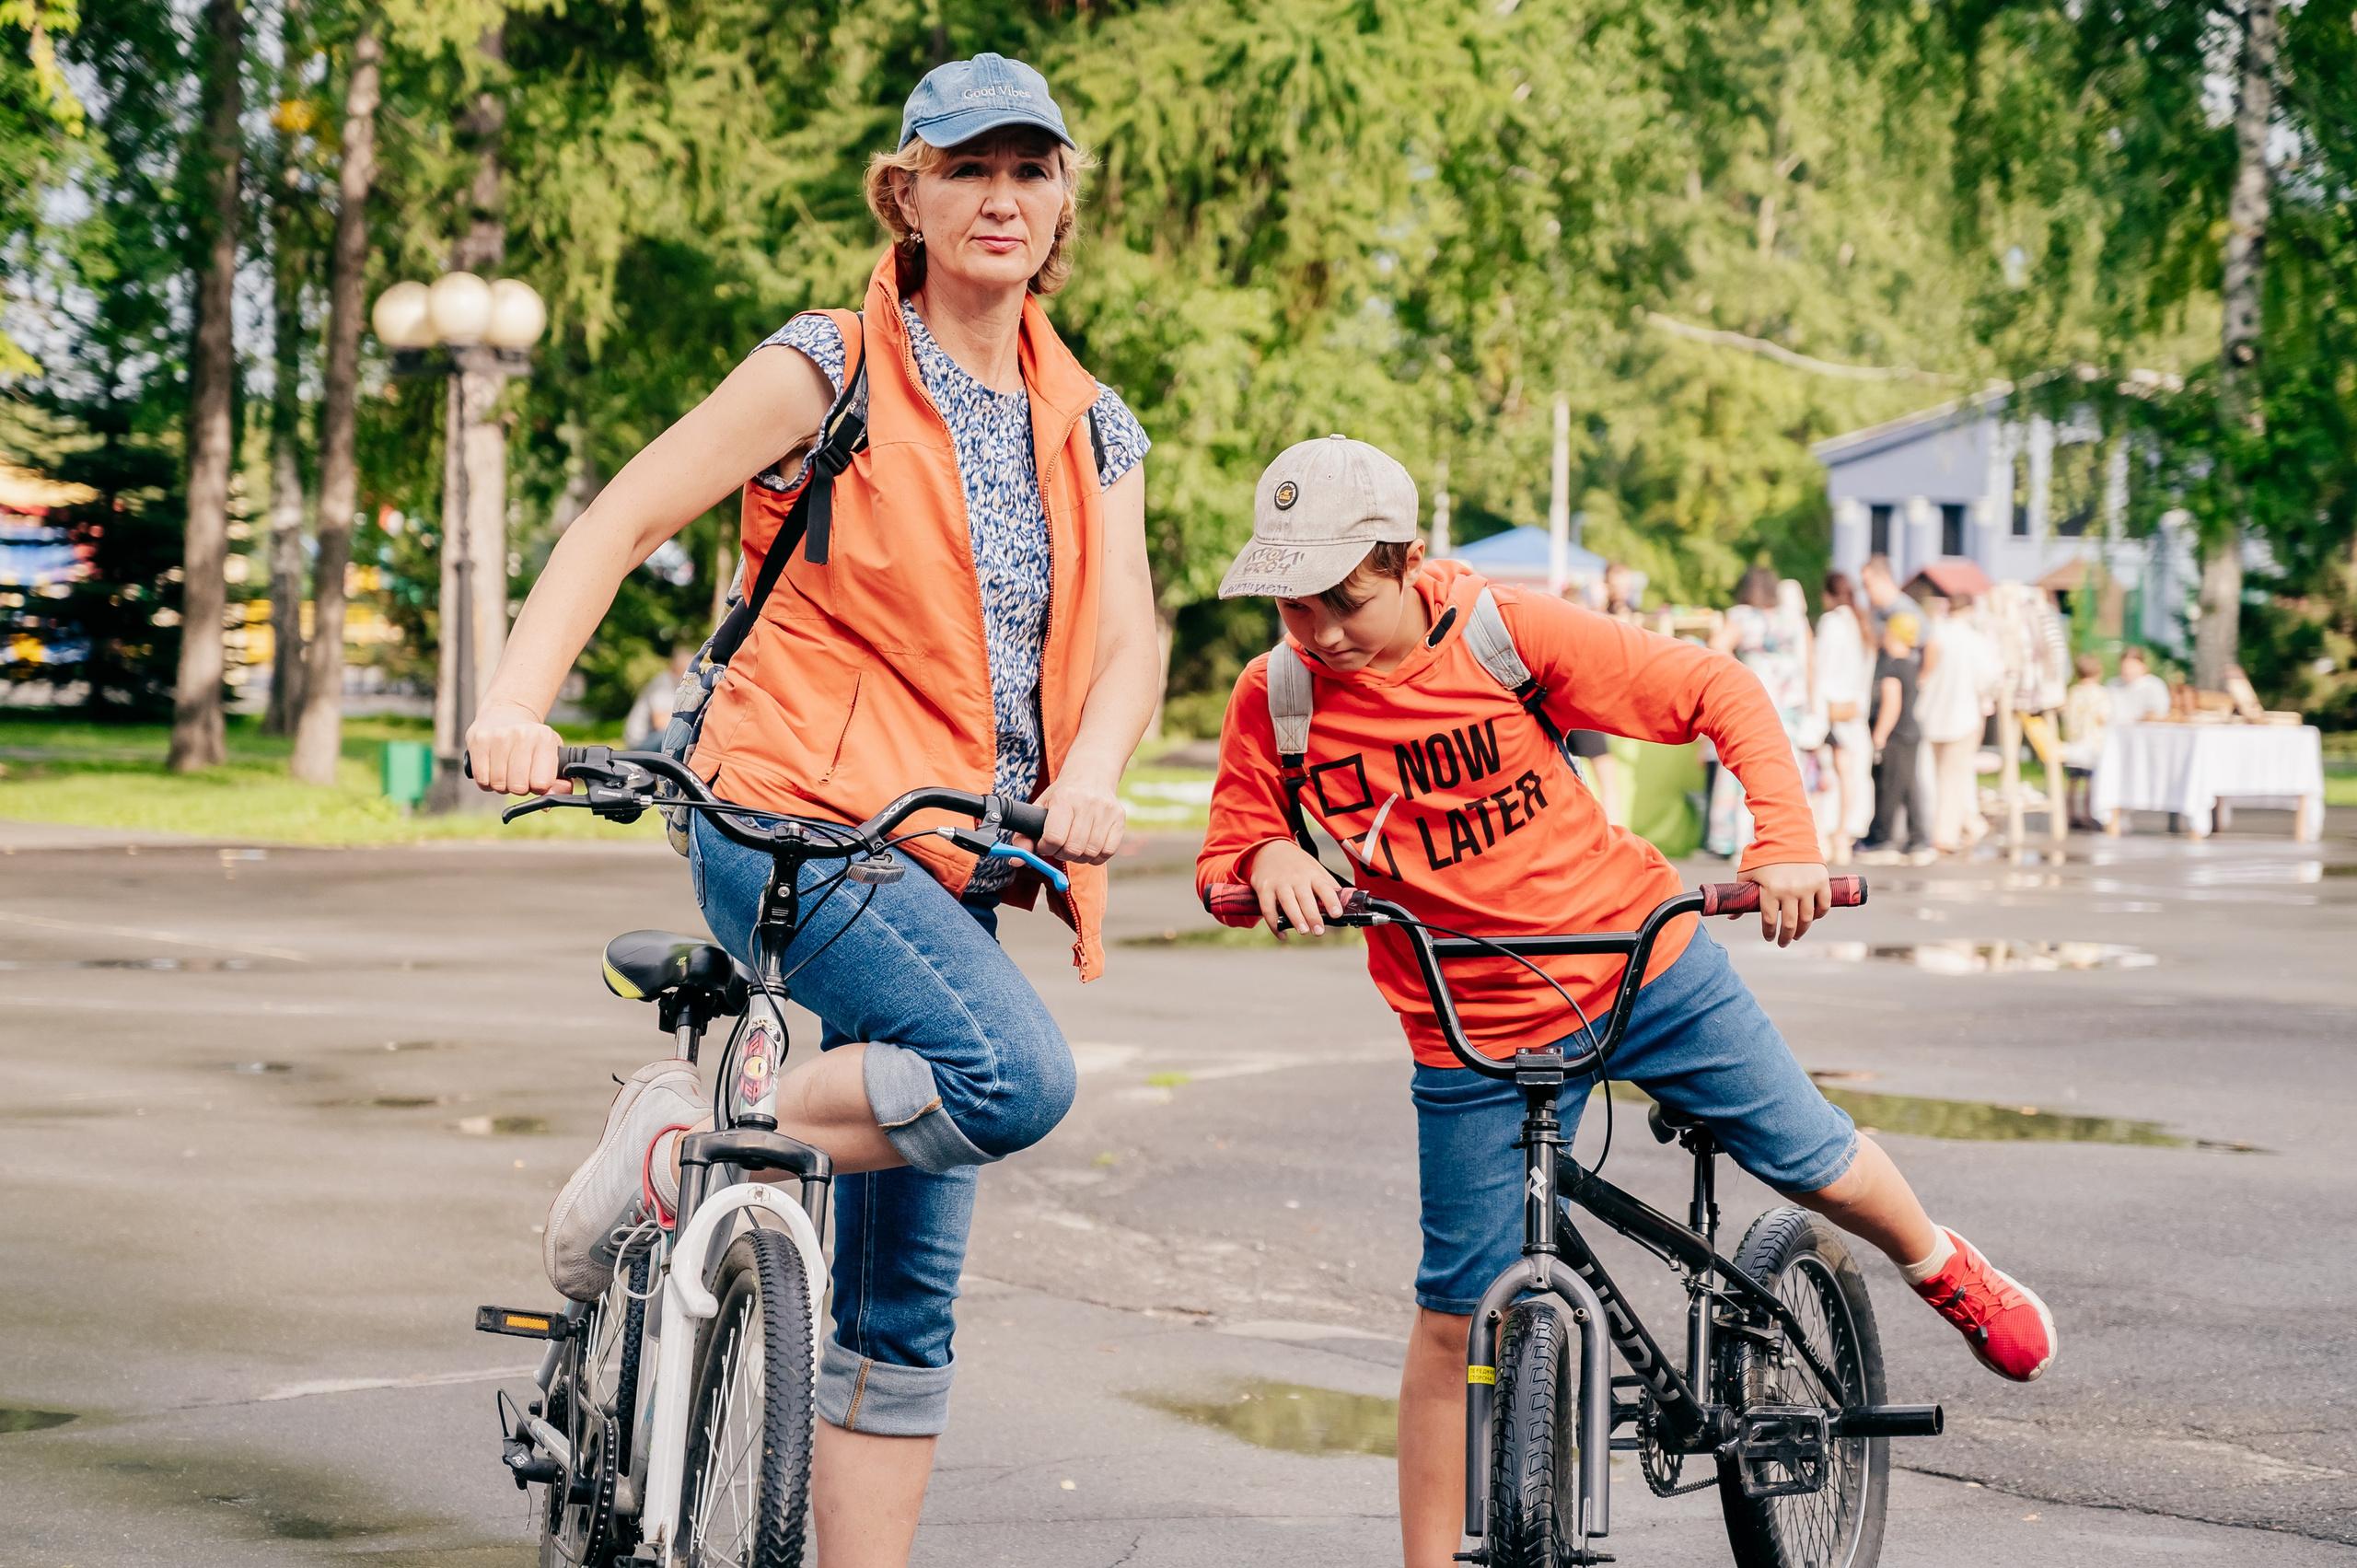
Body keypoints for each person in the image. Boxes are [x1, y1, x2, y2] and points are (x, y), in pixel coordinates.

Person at [463, 54, 1161, 1566]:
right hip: (783, 817)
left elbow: (1136, 640)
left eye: (1031, 169)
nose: (1002, 197)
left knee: (905, 1308)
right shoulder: (829, 361)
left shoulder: (1093, 422)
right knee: (1011, 1077)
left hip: (951, 853)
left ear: (1062, 204)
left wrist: (1094, 767)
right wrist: (519, 698)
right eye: (968, 167)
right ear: (904, 191)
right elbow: (624, 513)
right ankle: (709, 1133)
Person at [1197, 438, 2057, 1568]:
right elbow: (1225, 855)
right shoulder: (1280, 695)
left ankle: (1938, 1260)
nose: (1318, 631)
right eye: (1291, 606)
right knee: (1454, 1312)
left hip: (1637, 959)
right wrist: (1262, 863)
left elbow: (1718, 688)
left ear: (1406, 559)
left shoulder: (1504, 632)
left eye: (1343, 600)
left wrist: (1784, 844)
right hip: (1466, 1027)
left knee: (1807, 1155)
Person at [1704, 565, 1810, 856]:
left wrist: (1738, 672)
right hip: (1790, 700)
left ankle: (1743, 842)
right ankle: (1788, 841)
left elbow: (1717, 644)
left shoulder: (1740, 616)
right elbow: (1807, 661)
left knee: (1746, 768)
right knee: (1787, 769)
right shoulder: (1792, 618)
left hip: (1755, 696)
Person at [1918, 590, 2001, 854]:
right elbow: (1987, 678)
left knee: (1937, 778)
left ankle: (1965, 826)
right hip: (1963, 717)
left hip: (1932, 715)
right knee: (1954, 779)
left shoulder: (1935, 633)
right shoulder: (1973, 640)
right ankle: (1947, 835)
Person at [1855, 611, 1933, 863]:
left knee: (1888, 786)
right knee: (1909, 786)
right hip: (1911, 732)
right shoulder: (1911, 664)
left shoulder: (1892, 666)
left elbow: (1892, 703)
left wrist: (1879, 735)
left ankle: (1882, 839)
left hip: (1896, 735)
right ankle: (1918, 839)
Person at [1815, 570, 1876, 863]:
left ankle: (1829, 838)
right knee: (1850, 776)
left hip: (1831, 710)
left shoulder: (1833, 623)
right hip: (1854, 710)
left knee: (1828, 777)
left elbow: (1821, 669)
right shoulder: (1861, 622)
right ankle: (1843, 836)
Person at [2059, 653, 2109, 829]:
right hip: (2092, 745)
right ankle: (2088, 815)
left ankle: (2070, 813)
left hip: (2074, 744)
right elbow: (2104, 717)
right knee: (2090, 782)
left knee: (2073, 781)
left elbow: (2064, 713)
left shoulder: (2073, 692)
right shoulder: (2100, 694)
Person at [621, 645, 693, 749]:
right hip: (640, 741)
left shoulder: (676, 685)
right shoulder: (664, 684)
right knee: (678, 738)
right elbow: (660, 722)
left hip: (650, 737)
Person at [2108, 645, 2170, 726]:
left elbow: (2160, 714)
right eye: (2125, 667)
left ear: (2143, 666)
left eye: (2132, 667)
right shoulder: (2112, 685)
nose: (2128, 671)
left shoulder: (2155, 685)